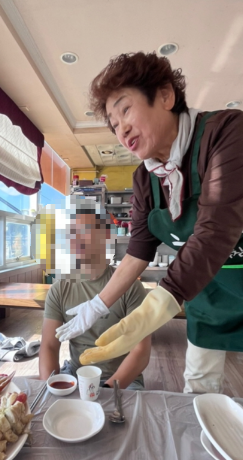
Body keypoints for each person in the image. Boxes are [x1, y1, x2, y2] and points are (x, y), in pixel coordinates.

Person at [56, 52, 243, 394]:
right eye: (114, 124)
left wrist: (160, 301)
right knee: (198, 389)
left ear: (166, 96)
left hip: (204, 282)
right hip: (206, 295)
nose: (121, 129)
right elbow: (138, 251)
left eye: (126, 109)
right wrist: (98, 304)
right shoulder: (144, 179)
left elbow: (215, 229)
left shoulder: (227, 133)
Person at [39, 197, 151, 389]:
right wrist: (49, 387)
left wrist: (107, 389)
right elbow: (49, 345)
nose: (76, 239)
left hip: (121, 380)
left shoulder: (131, 287)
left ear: (106, 235)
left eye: (84, 230)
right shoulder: (60, 289)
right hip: (76, 374)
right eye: (71, 232)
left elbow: (141, 351)